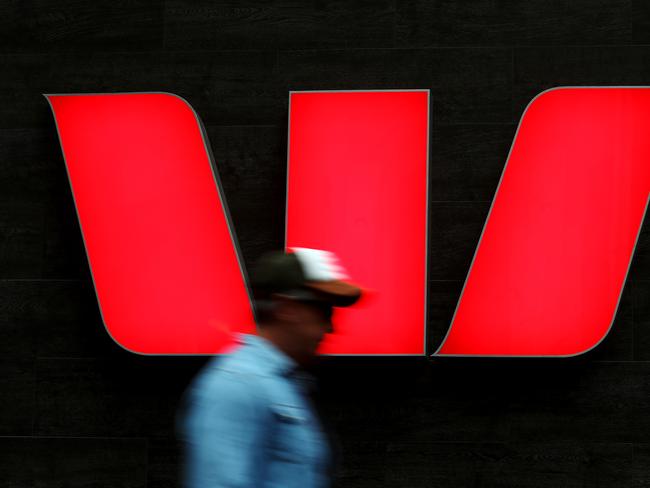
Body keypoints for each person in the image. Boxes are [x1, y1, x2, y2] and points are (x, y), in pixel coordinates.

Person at [178, 247, 363, 488]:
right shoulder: (238, 386)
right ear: (286, 308)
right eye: (324, 311)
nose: (330, 327)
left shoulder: (282, 382)